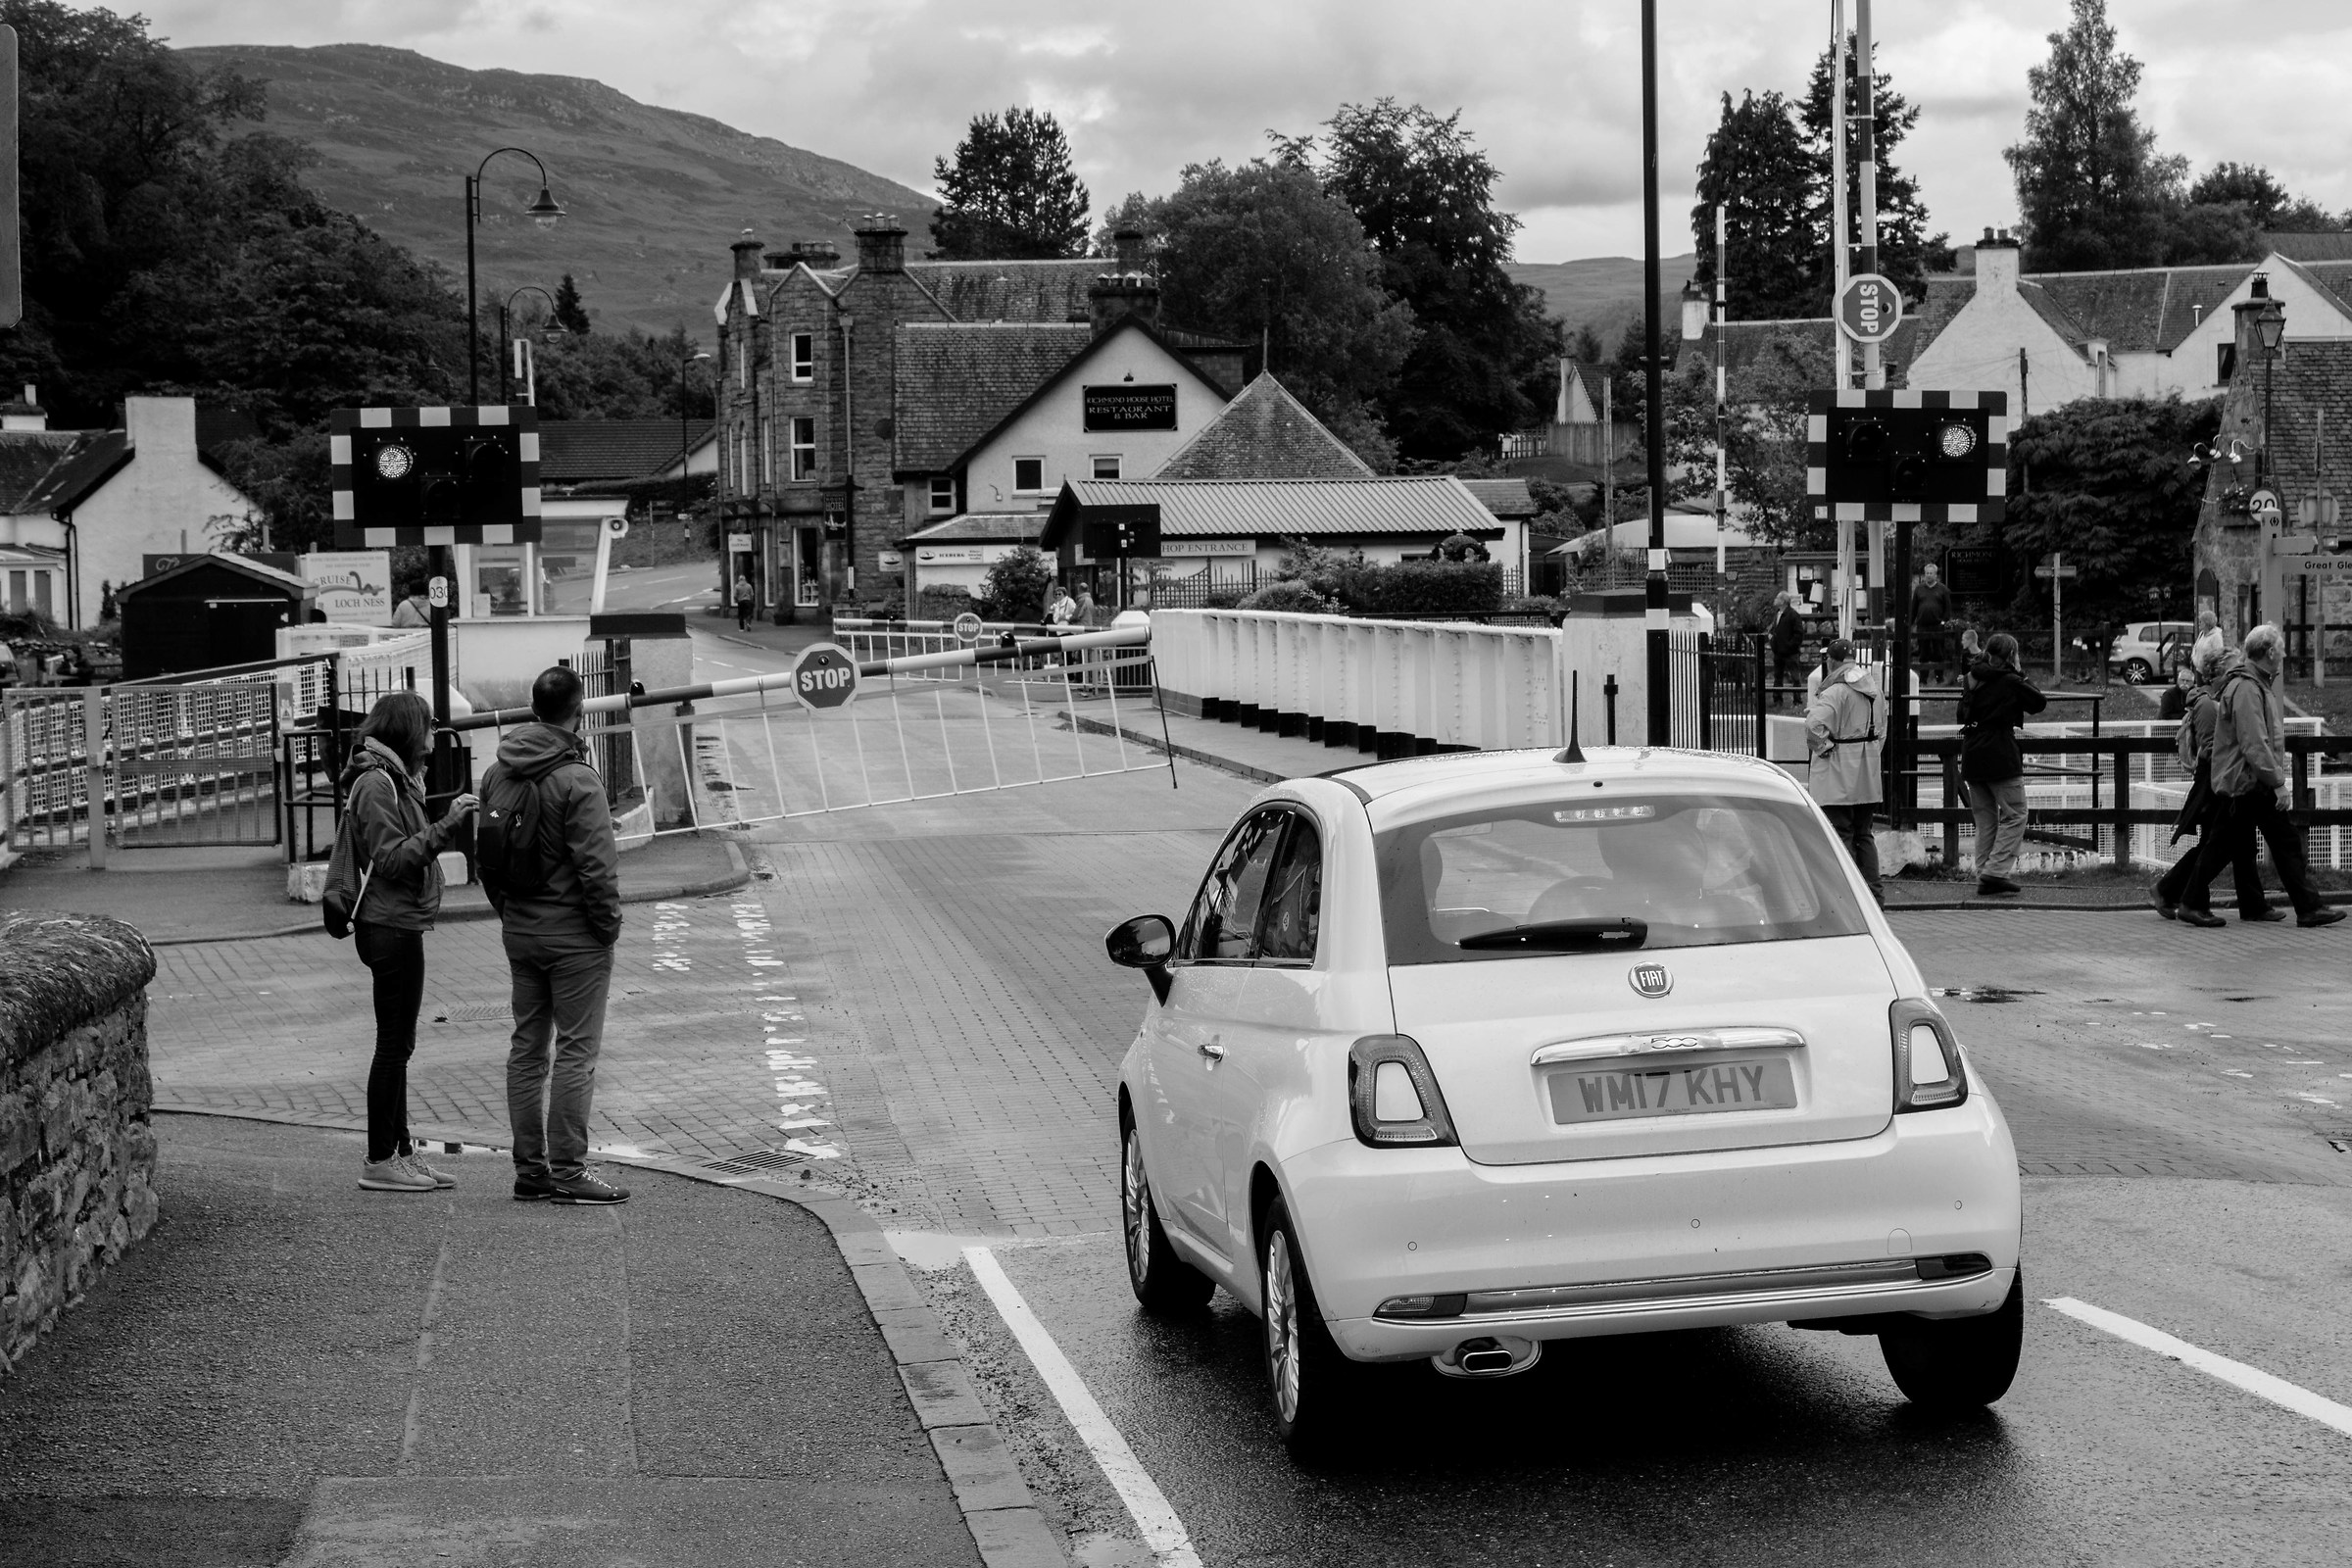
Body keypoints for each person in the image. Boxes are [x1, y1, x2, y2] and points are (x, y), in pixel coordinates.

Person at [488, 665, 630, 1203]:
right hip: (575, 939)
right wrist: (606, 929)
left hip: (520, 930)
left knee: (527, 1049)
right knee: (575, 1052)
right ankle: (569, 1171)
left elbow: (489, 859)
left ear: (534, 707)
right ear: (578, 711)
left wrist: (509, 912)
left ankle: (531, 1172)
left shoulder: (497, 772)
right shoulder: (578, 780)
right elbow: (599, 870)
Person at [340, 691, 479, 1193]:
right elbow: (394, 860)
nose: (436, 731)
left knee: (401, 1044)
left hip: (400, 923)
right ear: (406, 728)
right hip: (389, 925)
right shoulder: (377, 784)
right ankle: (380, 1158)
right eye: (429, 723)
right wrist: (448, 827)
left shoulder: (396, 779)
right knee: (392, 1047)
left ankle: (401, 1153)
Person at [2177, 624, 2346, 930]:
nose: (2283, 655)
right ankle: (2190, 902)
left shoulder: (2253, 684)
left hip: (2250, 781)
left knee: (2274, 843)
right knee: (2228, 845)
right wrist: (2278, 783)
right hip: (2248, 783)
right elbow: (2254, 743)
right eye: (2280, 649)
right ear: (2270, 652)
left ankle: (2308, 907)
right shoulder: (2247, 688)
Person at [2152, 649, 2264, 920]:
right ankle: (2175, 893)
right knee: (2214, 845)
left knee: (2225, 845)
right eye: (2235, 665)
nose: (2241, 668)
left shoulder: (2215, 699)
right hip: (2214, 784)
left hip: (2218, 779)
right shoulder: (2207, 704)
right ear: (2220, 671)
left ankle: (2174, 892)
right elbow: (2212, 748)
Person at [1955, 632, 2046, 897]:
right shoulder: (2010, 680)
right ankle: (1995, 872)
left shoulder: (1972, 678)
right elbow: (2038, 702)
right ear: (2011, 656)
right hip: (2000, 753)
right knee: (2016, 814)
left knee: (1985, 821)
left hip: (1972, 752)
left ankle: (1984, 872)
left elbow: (1961, 712)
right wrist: (2021, 673)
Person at [1803, 637, 1886, 903]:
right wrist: (1870, 754)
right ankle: (1874, 896)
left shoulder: (1835, 691)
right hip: (1868, 773)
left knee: (1841, 835)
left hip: (1837, 775)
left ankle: (1848, 898)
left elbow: (1813, 725)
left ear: (1832, 661)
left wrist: (1825, 747)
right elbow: (1881, 731)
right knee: (1864, 834)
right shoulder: (1875, 689)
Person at [1911, 564, 1953, 684]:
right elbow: (1914, 608)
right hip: (1922, 626)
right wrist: (1911, 623)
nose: (1928, 576)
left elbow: (1947, 608)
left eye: (1931, 573)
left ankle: (1939, 678)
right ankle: (1923, 679)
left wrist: (1943, 622)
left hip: (1937, 626)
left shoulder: (1943, 589)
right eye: (1927, 573)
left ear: (1936, 575)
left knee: (1938, 653)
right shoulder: (1919, 589)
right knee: (1923, 653)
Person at [1769, 591, 1806, 708]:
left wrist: (1790, 645)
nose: (1775, 600)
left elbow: (1799, 634)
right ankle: (1777, 699)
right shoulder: (1778, 614)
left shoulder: (1793, 615)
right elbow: (1775, 629)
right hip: (1778, 651)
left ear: (1783, 601)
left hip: (1790, 652)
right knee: (1778, 676)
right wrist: (1772, 640)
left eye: (1777, 598)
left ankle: (1797, 700)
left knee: (1795, 676)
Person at [2190, 610, 2225, 674]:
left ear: (2207, 623)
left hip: (2209, 672)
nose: (2199, 624)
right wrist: (2194, 659)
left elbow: (2219, 654)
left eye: (2201, 622)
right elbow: (2195, 648)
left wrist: (2208, 665)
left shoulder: (2216, 636)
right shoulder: (2201, 634)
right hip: (2199, 670)